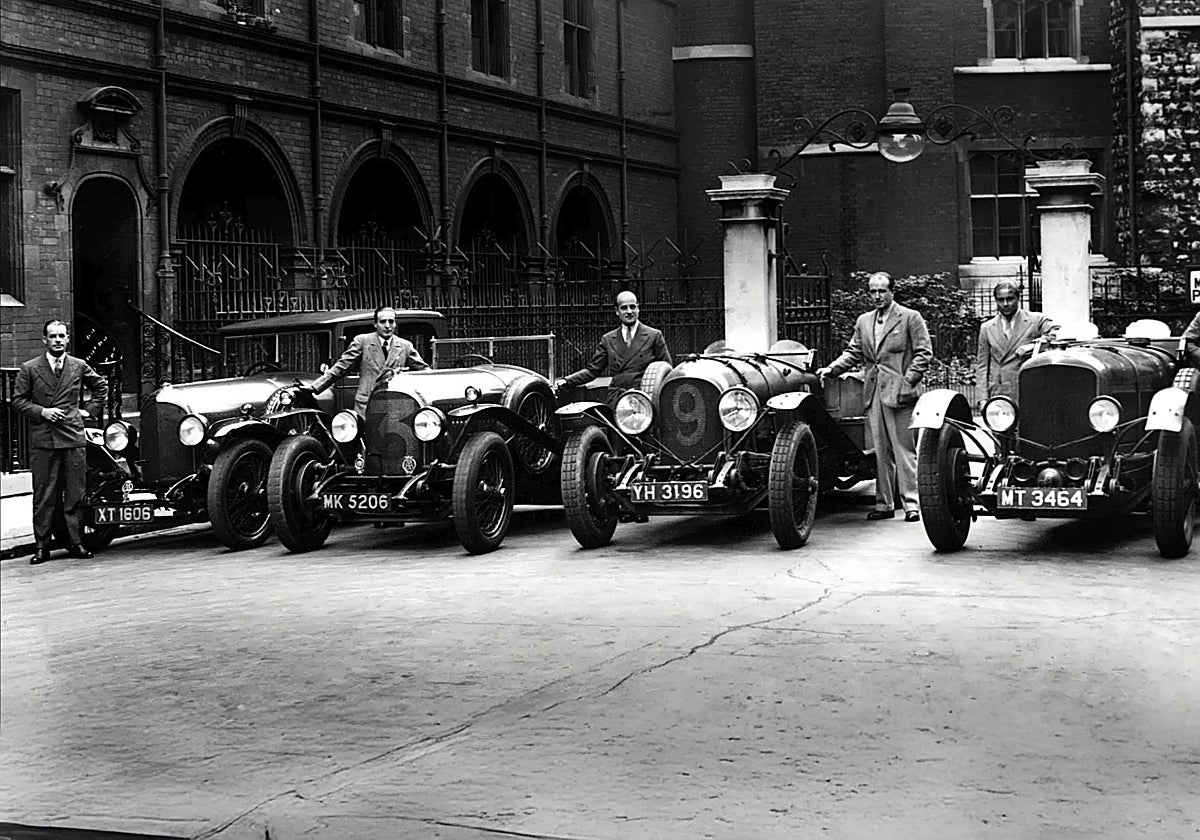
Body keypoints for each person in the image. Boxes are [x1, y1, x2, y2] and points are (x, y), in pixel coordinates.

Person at [816, 271, 932, 523]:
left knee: (904, 450)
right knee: (880, 450)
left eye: (882, 291)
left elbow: (924, 353)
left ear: (892, 292)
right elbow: (853, 351)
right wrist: (833, 369)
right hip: (874, 393)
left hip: (900, 393)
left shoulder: (910, 318)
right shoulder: (864, 321)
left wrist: (908, 380)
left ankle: (911, 504)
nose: (877, 296)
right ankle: (884, 504)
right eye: (872, 291)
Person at [12, 319, 109, 564]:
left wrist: (89, 411)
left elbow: (101, 385)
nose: (57, 340)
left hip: (72, 436)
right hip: (44, 439)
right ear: (44, 340)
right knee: (44, 495)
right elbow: (18, 401)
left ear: (67, 339)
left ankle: (76, 543)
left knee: (75, 493)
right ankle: (42, 547)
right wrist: (42, 411)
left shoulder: (78, 365)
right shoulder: (30, 368)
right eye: (52, 336)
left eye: (62, 336)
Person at [303, 305, 428, 414]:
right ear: (375, 324)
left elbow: (424, 371)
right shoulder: (363, 341)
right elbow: (341, 367)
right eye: (383, 322)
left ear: (395, 324)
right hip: (366, 404)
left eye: (391, 322)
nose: (387, 326)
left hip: (394, 405)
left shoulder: (405, 346)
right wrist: (314, 387)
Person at [554, 290, 672, 403]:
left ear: (638, 308)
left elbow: (666, 370)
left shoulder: (654, 335)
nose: (629, 311)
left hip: (645, 398)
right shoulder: (608, 339)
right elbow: (592, 371)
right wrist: (567, 380)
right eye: (624, 308)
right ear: (617, 311)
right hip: (618, 400)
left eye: (633, 307)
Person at [974, 280, 1057, 404]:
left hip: (1027, 390)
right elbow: (982, 366)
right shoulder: (987, 328)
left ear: (1018, 299)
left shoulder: (1035, 320)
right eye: (1000, 300)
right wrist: (983, 398)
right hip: (998, 393)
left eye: (1010, 299)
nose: (1005, 304)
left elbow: (1057, 334)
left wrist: (1032, 347)